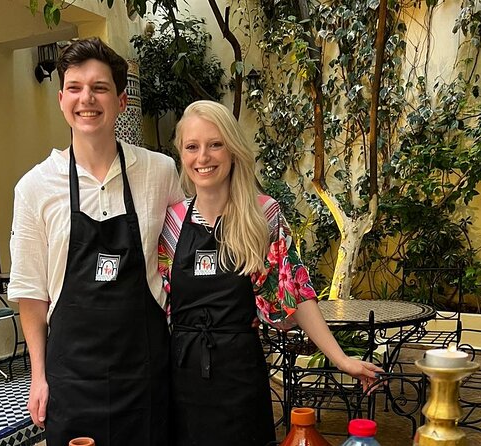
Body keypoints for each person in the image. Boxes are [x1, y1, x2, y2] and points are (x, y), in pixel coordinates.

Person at [159, 100, 383, 446]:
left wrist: (339, 358)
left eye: (215, 144)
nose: (203, 157)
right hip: (181, 378)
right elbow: (155, 303)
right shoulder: (171, 222)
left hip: (240, 378)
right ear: (182, 154)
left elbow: (296, 293)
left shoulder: (262, 216)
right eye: (192, 147)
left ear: (233, 150)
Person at [7, 37, 184, 446]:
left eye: (100, 87)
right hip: (72, 376)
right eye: (75, 87)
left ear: (121, 100)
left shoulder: (159, 173)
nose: (87, 98)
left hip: (146, 370)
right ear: (61, 99)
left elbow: (180, 262)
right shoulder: (34, 187)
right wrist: (38, 377)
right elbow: (32, 295)